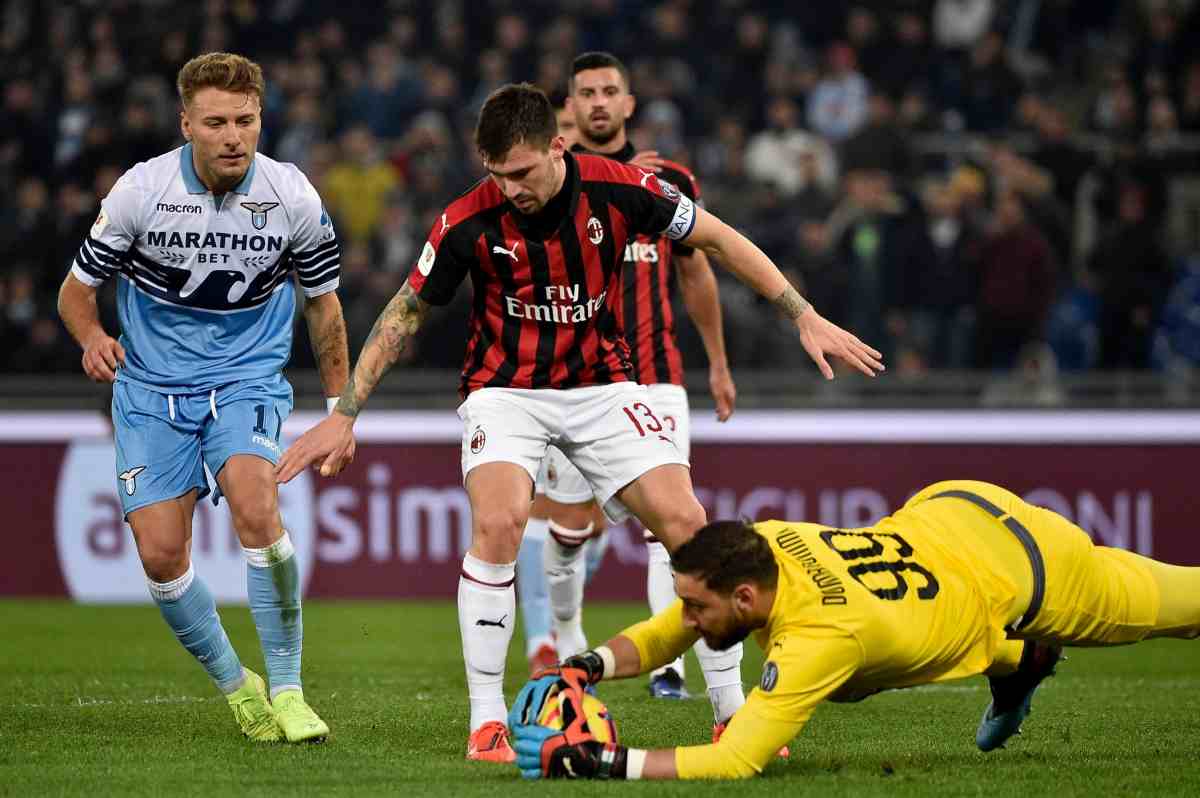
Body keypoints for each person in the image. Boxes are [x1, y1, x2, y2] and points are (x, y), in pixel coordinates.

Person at [275, 82, 882, 763]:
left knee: (689, 528)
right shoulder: (465, 222)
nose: (512, 189)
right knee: (500, 523)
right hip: (505, 390)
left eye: (525, 173)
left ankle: (729, 713)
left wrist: (803, 314)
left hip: (603, 384)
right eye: (498, 174)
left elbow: (717, 238)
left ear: (557, 147)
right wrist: (346, 413)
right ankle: (486, 722)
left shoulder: (619, 189)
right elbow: (404, 313)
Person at [509, 478, 1200, 780]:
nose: (687, 622)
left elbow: (735, 761)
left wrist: (601, 763)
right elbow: (672, 629)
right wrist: (587, 666)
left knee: (1184, 606)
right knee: (864, 671)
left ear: (746, 595)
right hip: (953, 515)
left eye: (699, 608)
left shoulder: (817, 642)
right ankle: (1017, 660)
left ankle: (1022, 652)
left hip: (1030, 568)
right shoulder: (769, 540)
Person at [57, 52, 346, 744]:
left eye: (244, 121)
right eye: (215, 122)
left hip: (245, 380)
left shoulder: (293, 197)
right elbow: (75, 290)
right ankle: (235, 685)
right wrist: (93, 336)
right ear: (186, 123)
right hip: (150, 389)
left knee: (255, 502)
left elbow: (324, 309)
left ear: (260, 120)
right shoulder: (140, 192)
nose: (232, 137)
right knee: (160, 554)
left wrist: (341, 411)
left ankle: (287, 690)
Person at [533, 52, 745, 730]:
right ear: (571, 104)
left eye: (610, 92)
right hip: (576, 378)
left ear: (629, 105)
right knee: (567, 530)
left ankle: (669, 667)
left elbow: (698, 274)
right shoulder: (550, 178)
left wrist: (716, 361)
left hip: (656, 379)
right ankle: (566, 639)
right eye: (586, 92)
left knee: (673, 527)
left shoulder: (671, 180)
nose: (599, 102)